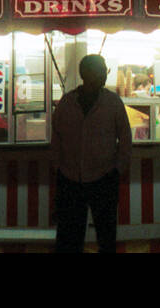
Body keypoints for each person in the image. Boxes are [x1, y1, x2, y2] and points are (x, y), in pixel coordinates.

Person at [51, 54, 132, 253]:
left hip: (104, 178)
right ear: (88, 74)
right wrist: (58, 169)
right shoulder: (67, 103)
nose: (105, 74)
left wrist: (117, 170)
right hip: (70, 179)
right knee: (69, 238)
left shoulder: (113, 103)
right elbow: (56, 140)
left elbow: (125, 139)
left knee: (106, 237)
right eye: (103, 70)